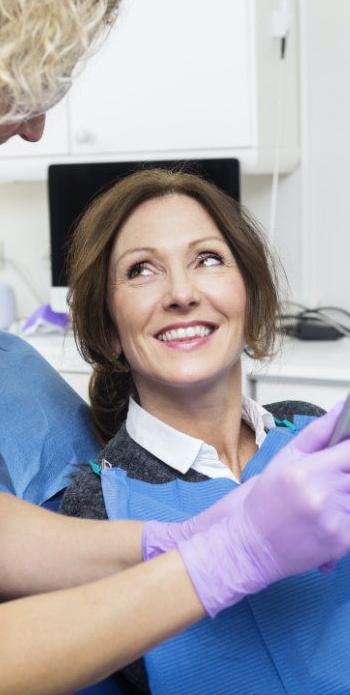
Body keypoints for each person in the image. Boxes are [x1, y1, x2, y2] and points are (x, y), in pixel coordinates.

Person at [0, 0, 350, 694]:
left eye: (209, 259)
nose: (35, 129)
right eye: (26, 87)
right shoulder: (103, 492)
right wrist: (229, 551)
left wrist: (201, 530)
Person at [59, 167, 350, 694]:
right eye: (142, 270)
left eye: (208, 259)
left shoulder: (312, 427)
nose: (181, 292)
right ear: (108, 328)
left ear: (251, 297)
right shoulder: (95, 509)